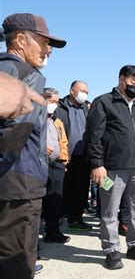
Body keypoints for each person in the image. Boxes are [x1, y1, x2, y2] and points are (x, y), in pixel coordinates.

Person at [0, 12, 66, 279]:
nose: (48, 49)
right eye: (43, 42)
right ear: (20, 39)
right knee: (16, 264)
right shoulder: (27, 75)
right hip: (19, 186)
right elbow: (13, 136)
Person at [87, 65, 135, 270]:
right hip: (112, 167)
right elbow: (93, 136)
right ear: (121, 79)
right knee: (109, 211)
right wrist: (97, 164)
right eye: (133, 82)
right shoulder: (104, 102)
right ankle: (111, 249)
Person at [54, 80, 91, 231]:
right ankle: (56, 220)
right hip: (64, 156)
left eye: (87, 92)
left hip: (83, 156)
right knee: (61, 190)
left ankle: (76, 218)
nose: (84, 94)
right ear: (72, 91)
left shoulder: (87, 109)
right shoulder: (60, 108)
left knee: (81, 190)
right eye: (82, 90)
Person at [41, 88, 71, 243]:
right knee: (38, 200)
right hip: (40, 164)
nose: (53, 105)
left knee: (55, 199)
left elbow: (64, 142)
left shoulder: (57, 121)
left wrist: (64, 160)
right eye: (51, 101)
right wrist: (40, 147)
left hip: (57, 164)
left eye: (56, 102)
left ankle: (52, 231)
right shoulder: (35, 119)